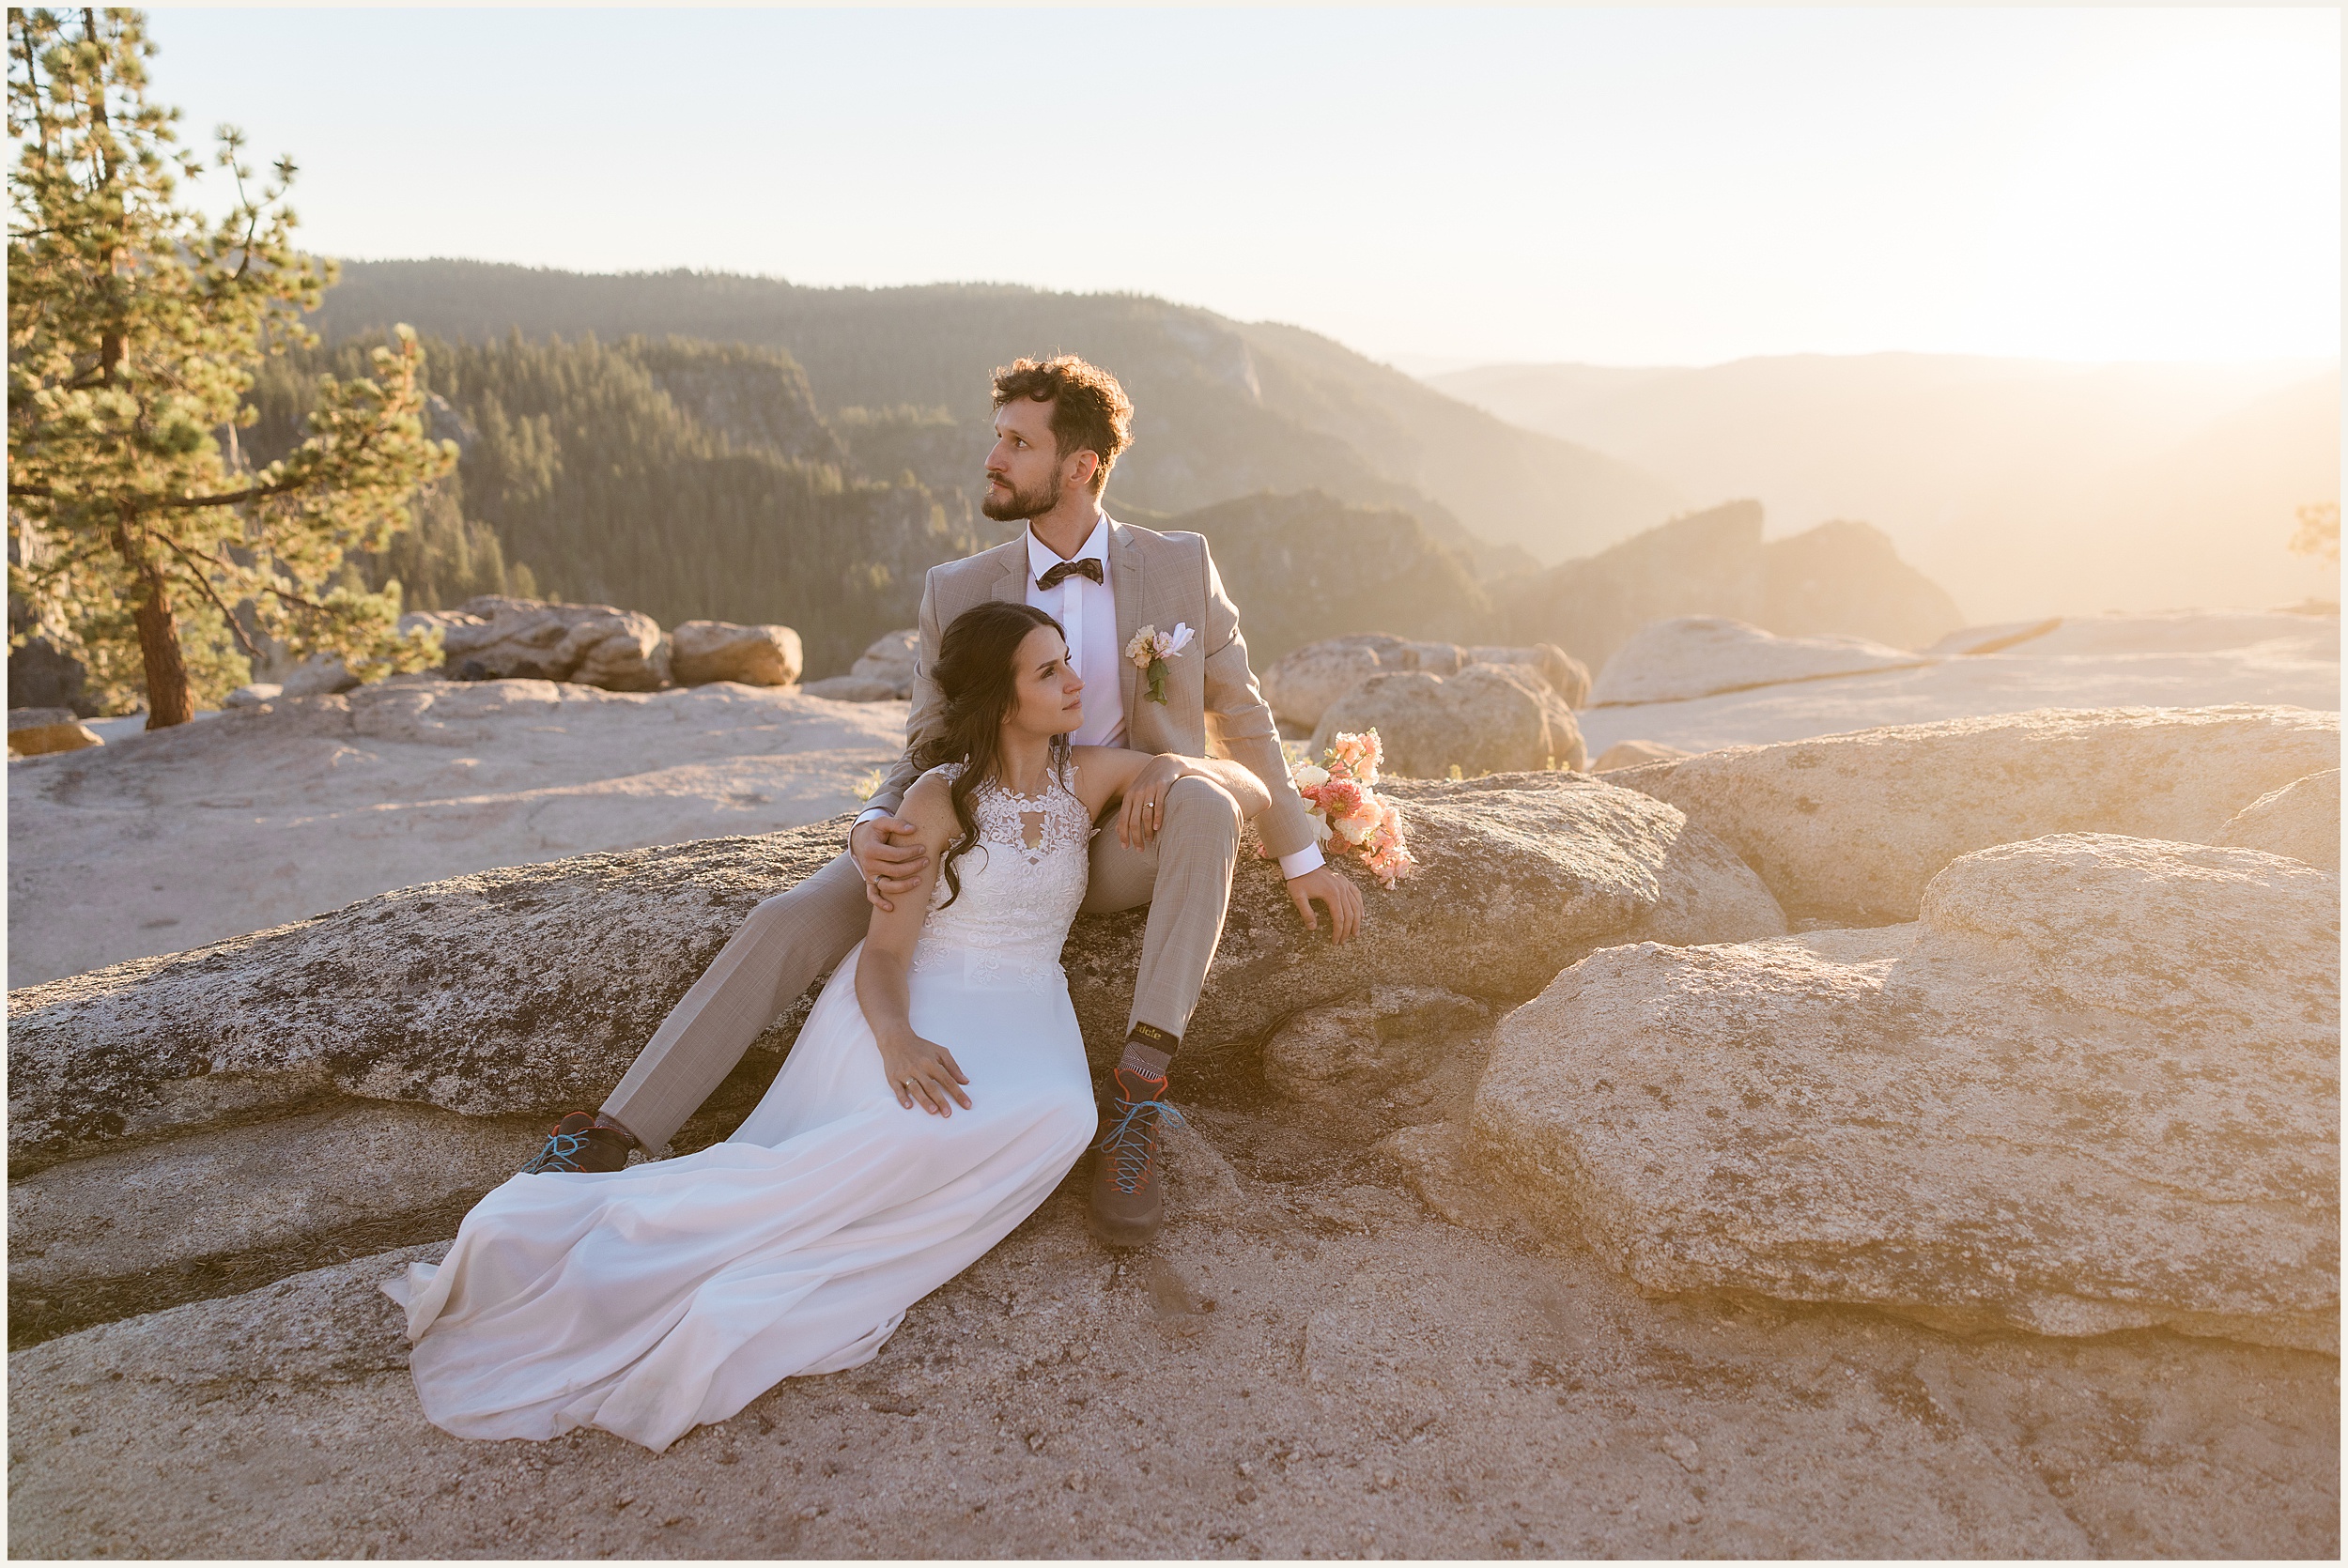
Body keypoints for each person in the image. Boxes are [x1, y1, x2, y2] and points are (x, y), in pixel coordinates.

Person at [387, 601, 1275, 1452]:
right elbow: (885, 958)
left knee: (1061, 1117)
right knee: (910, 1122)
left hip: (1027, 1000)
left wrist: (1169, 768)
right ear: (1005, 697)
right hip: (934, 991)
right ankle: (641, 1198)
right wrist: (894, 1037)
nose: (1074, 680)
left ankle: (1114, 1109)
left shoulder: (1087, 774)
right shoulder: (941, 800)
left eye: (1069, 663)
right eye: (1051, 670)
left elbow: (1234, 784)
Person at [527, 354, 1361, 1245]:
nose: (993, 458)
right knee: (789, 918)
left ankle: (1138, 1100)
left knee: (1201, 802)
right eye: (995, 438)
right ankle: (611, 1134)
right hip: (972, 816)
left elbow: (1242, 711)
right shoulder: (957, 589)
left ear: (1080, 465)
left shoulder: (1178, 566)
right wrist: (869, 828)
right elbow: (926, 743)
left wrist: (1300, 852)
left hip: (1118, 829)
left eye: (1016, 442)